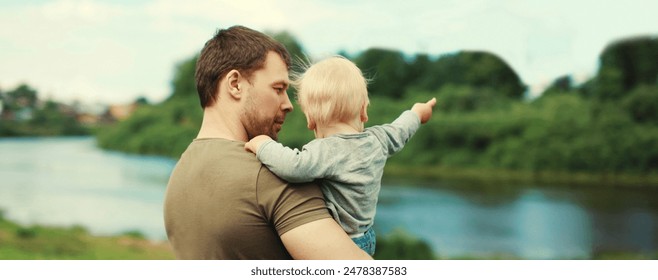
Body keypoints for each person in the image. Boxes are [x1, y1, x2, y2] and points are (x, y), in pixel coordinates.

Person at [163, 26, 371, 260]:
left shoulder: (179, 173)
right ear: (235, 84)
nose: (289, 104)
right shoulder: (275, 175)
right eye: (278, 89)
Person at [244, 56, 436, 255]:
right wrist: (417, 113)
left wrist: (263, 144)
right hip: (367, 237)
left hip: (341, 241)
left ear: (310, 119)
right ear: (363, 110)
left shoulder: (326, 150)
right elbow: (401, 129)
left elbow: (293, 166)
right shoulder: (379, 139)